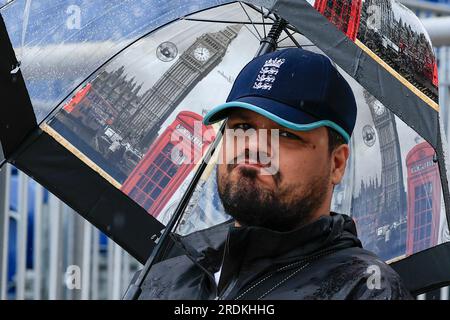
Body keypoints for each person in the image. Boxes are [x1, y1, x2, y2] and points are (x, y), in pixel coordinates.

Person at [136, 48, 412, 300]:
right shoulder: (166, 274)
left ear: (337, 164)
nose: (254, 146)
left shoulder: (366, 291)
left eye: (284, 133)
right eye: (242, 127)